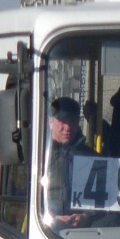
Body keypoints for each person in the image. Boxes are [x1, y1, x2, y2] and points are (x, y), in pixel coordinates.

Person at [44, 96, 95, 229]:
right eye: (63, 121)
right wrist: (51, 218)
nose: (67, 127)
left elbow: (103, 197)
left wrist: (86, 216)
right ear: (50, 122)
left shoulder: (90, 157)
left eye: (72, 121)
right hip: (46, 229)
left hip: (85, 231)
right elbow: (24, 200)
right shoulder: (39, 159)